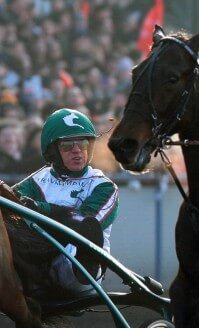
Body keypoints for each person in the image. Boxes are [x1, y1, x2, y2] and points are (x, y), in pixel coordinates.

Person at [13, 108, 119, 296]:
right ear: (53, 150)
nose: (77, 150)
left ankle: (83, 267)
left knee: (82, 232)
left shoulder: (103, 186)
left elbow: (87, 222)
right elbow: (11, 201)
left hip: (76, 265)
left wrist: (40, 208)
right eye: (68, 145)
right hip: (37, 258)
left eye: (83, 143)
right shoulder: (37, 180)